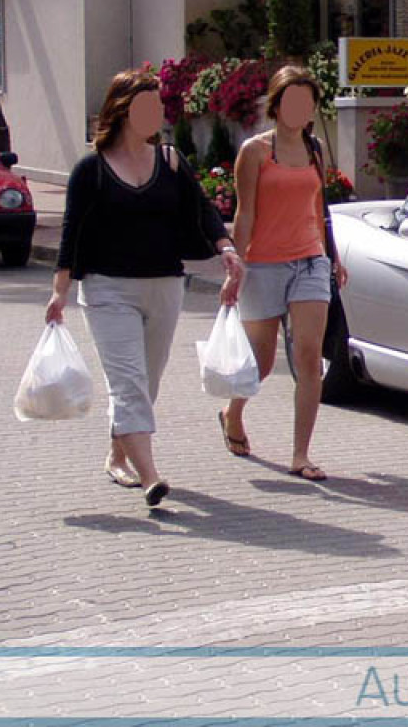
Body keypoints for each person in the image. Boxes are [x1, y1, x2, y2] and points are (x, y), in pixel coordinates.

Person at [47, 69, 243, 507]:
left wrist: (226, 248)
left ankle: (118, 455)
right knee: (129, 384)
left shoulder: (172, 162)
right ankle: (150, 474)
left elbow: (203, 211)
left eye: (159, 106)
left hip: (165, 286)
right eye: (146, 106)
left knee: (146, 384)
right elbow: (70, 235)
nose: (156, 114)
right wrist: (59, 292)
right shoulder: (90, 170)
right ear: (122, 110)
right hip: (107, 289)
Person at [220, 65, 347, 481]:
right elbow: (245, 213)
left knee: (309, 357)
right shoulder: (255, 151)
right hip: (263, 264)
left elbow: (318, 208)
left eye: (307, 102)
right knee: (260, 359)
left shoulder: (315, 149)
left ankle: (300, 454)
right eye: (292, 100)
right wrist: (235, 264)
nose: (300, 109)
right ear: (276, 105)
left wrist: (332, 257)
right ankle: (232, 412)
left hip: (310, 261)